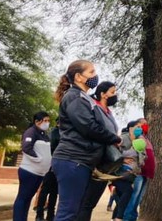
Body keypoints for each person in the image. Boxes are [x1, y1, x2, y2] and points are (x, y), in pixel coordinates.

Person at [52, 61, 122, 221]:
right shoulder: (74, 97)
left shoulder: (84, 98)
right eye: (91, 72)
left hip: (81, 161)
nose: (95, 76)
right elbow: (88, 126)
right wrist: (114, 138)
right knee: (68, 212)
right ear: (78, 77)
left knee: (75, 210)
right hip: (73, 159)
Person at [76, 81, 121, 221]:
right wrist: (113, 138)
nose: (115, 95)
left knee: (90, 203)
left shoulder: (109, 112)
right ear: (102, 94)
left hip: (105, 163)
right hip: (92, 159)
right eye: (112, 92)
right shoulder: (93, 107)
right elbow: (93, 130)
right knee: (84, 203)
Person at [13, 111, 52, 221]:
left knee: (28, 198)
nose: (47, 123)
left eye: (48, 121)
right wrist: (39, 159)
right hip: (29, 171)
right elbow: (26, 148)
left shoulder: (45, 135)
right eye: (45, 121)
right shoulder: (31, 132)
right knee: (23, 197)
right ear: (37, 121)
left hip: (39, 172)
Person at [124, 118, 155, 221]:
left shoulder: (146, 139)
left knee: (139, 197)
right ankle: (127, 217)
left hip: (146, 173)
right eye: (142, 124)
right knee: (134, 196)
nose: (144, 126)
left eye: (146, 124)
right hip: (138, 171)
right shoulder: (132, 138)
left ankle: (132, 217)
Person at [35, 119, 61, 221]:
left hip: (57, 166)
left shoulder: (63, 133)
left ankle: (51, 214)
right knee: (45, 191)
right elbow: (50, 149)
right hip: (50, 166)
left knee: (54, 192)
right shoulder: (54, 133)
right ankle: (39, 214)